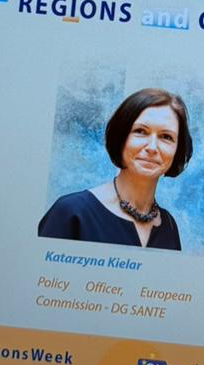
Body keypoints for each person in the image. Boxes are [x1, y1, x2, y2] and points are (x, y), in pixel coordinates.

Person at [38, 88, 191, 250]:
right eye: (140, 131)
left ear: (177, 149)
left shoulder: (169, 226)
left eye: (166, 137)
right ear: (121, 137)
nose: (152, 147)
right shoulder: (71, 212)